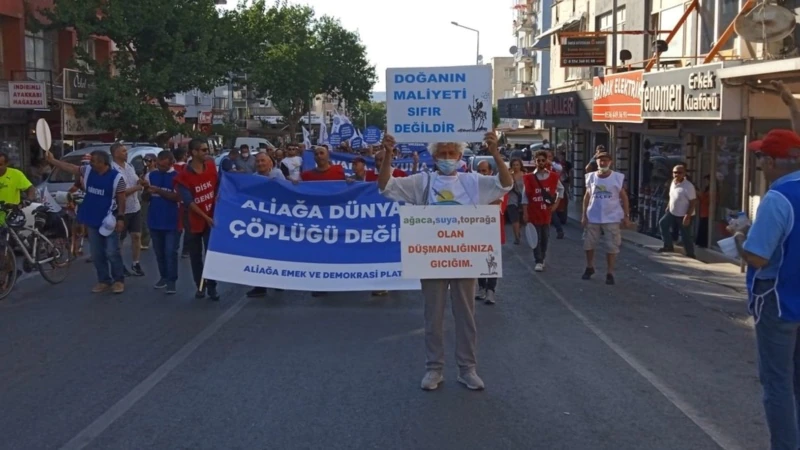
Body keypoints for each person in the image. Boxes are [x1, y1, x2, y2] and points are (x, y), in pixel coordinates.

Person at [378, 132, 512, 391]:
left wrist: (496, 153)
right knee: (434, 316)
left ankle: (467, 369)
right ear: (434, 156)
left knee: (466, 315)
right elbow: (385, 186)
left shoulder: (473, 182)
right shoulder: (423, 183)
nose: (448, 158)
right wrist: (388, 155)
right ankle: (434, 369)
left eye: (452, 153)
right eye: (443, 153)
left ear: (461, 156)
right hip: (432, 258)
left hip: (465, 257)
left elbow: (505, 185)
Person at [734, 128, 800, 450]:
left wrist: (739, 240)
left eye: (761, 157)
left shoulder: (778, 198)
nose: (759, 163)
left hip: (779, 300)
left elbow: (758, 256)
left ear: (772, 161)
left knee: (777, 384)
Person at [45, 149, 127, 293]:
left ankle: (118, 280)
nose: (91, 163)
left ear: (103, 162)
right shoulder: (88, 171)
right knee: (96, 253)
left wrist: (120, 218)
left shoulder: (117, 178)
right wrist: (53, 161)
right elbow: (71, 168)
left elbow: (121, 199)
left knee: (111, 252)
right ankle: (104, 280)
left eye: (94, 161)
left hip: (109, 221)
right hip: (92, 218)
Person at [174, 138, 220, 301]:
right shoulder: (184, 176)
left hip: (211, 218)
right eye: (203, 150)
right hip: (193, 220)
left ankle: (212, 286)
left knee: (210, 254)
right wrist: (206, 217)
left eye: (207, 150)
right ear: (193, 152)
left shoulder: (212, 168)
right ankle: (200, 285)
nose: (206, 153)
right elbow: (189, 202)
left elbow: (219, 186)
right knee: (195, 255)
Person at [581, 149, 631, 285]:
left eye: (605, 160)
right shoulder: (591, 177)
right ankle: (590, 266)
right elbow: (587, 196)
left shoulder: (617, 177)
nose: (603, 163)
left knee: (612, 245)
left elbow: (624, 197)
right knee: (588, 243)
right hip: (593, 216)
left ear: (610, 162)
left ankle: (610, 272)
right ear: (596, 162)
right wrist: (584, 215)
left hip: (611, 217)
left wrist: (626, 215)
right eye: (600, 160)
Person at [141, 151, 180, 294]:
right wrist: (147, 190)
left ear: (170, 163)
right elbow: (145, 198)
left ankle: (172, 281)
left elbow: (177, 197)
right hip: (154, 219)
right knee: (159, 252)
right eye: (159, 165)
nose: (160, 168)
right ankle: (163, 276)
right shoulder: (151, 175)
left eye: (163, 166)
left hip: (172, 220)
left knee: (170, 252)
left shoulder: (177, 177)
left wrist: (158, 190)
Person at [109, 143, 145, 277]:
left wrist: (141, 182)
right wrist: (137, 188)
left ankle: (136, 263)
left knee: (136, 236)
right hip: (122, 210)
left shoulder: (129, 167)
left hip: (135, 207)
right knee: (120, 240)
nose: (126, 153)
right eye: (123, 151)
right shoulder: (113, 170)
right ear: (116, 153)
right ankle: (119, 265)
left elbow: (136, 181)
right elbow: (120, 192)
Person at [522, 150, 561, 271]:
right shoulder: (528, 178)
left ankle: (542, 258)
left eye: (543, 160)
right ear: (535, 161)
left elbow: (561, 190)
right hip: (533, 212)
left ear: (546, 161)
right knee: (535, 238)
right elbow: (524, 197)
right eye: (538, 160)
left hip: (546, 213)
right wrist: (525, 212)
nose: (541, 162)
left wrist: (555, 205)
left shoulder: (553, 177)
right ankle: (538, 260)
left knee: (545, 237)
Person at [474, 160, 507, 304]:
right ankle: (482, 287)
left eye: (484, 171)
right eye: (479, 171)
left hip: (493, 230)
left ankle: (491, 291)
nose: (482, 174)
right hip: (477, 230)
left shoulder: (497, 187)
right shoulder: (474, 186)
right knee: (479, 260)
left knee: (491, 261)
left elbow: (495, 204)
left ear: (490, 172)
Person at [658, 164, 697, 258]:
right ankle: (668, 245)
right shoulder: (673, 182)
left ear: (684, 174)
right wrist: (668, 206)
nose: (677, 174)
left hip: (684, 214)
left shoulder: (688, 186)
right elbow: (672, 196)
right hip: (672, 211)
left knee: (685, 235)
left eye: (679, 173)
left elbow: (693, 202)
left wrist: (687, 216)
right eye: (675, 172)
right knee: (663, 223)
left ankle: (690, 254)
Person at [506, 158, 526, 245]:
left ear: (520, 165)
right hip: (512, 200)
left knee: (521, 220)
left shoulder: (525, 175)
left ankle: (518, 231)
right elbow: (506, 187)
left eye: (517, 165)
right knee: (515, 220)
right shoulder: (509, 175)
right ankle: (517, 237)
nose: (515, 167)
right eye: (514, 165)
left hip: (523, 201)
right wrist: (509, 176)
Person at [139, 154, 155, 251]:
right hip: (144, 197)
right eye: (145, 160)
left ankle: (145, 241)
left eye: (148, 160)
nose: (146, 163)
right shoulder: (145, 172)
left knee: (145, 219)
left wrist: (144, 183)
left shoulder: (154, 173)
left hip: (150, 197)